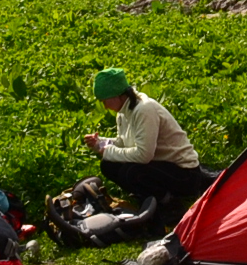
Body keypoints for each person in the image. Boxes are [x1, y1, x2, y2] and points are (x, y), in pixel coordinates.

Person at [84, 69, 212, 223]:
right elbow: (124, 143)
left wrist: (108, 151)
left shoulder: (145, 110)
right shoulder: (123, 112)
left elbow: (143, 155)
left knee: (132, 172)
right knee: (108, 165)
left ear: (117, 95)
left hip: (185, 174)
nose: (104, 106)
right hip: (159, 166)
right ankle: (148, 196)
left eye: (105, 100)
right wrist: (100, 143)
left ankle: (170, 203)